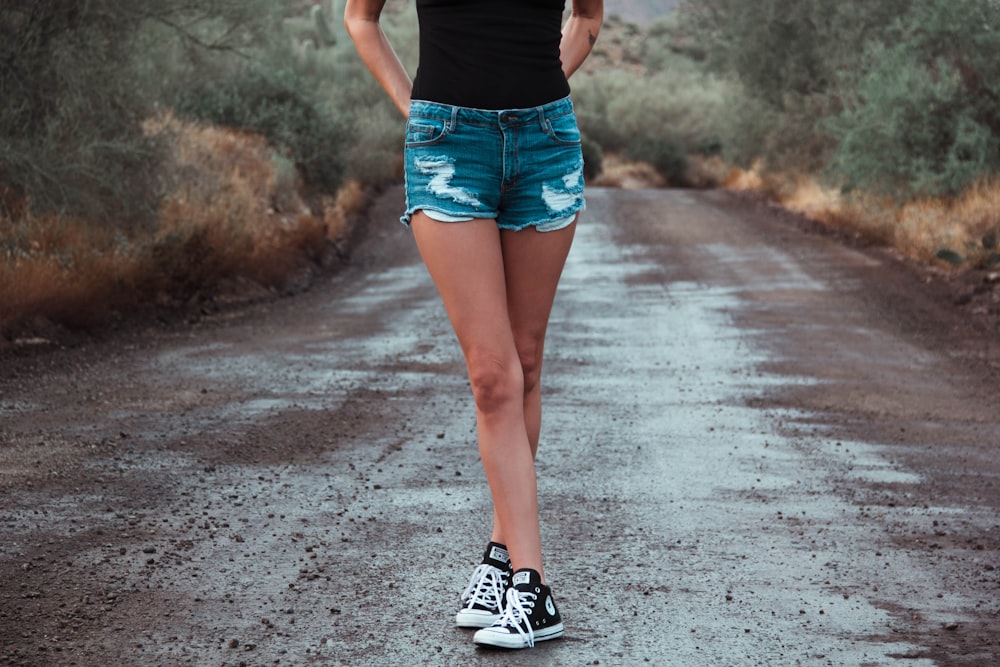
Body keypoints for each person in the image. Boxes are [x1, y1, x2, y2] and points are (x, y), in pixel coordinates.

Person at [344, 0, 603, 650]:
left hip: (545, 144)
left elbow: (589, 17)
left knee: (527, 360)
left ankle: (499, 560)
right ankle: (533, 586)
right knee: (493, 375)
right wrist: (415, 108)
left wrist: (547, 88)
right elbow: (360, 18)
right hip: (448, 148)